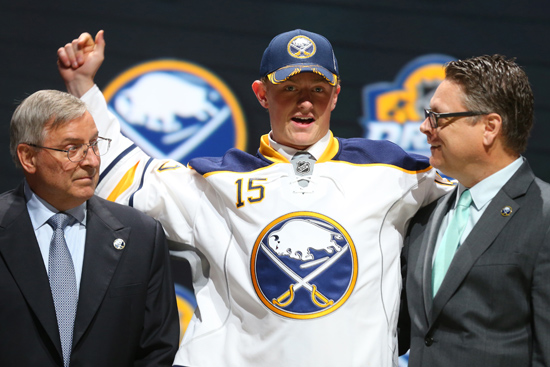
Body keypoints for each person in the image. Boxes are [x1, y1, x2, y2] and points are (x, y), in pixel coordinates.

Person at [57, 29, 452, 366]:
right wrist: (82, 88)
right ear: (262, 94)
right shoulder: (217, 181)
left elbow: (481, 195)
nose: (305, 102)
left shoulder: (394, 172)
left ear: (335, 96)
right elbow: (124, 175)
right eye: (289, 88)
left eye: (318, 88)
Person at [0, 89, 179, 367]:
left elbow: (158, 351)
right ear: (28, 157)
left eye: (94, 144)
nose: (92, 161)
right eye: (72, 149)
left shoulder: (142, 236)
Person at [399, 54, 550, 366]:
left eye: (438, 116)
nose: (425, 127)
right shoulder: (424, 215)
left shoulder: (544, 216)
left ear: (489, 127)